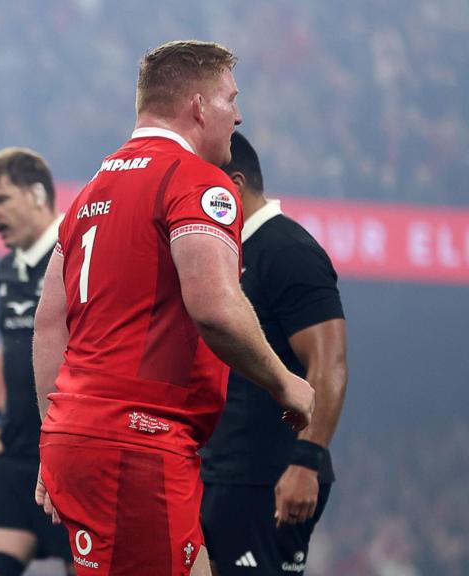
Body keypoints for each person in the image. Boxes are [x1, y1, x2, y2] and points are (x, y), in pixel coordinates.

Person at [31, 40, 316, 576]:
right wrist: (286, 383)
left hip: (81, 432)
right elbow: (214, 307)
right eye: (232, 98)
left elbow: (49, 324)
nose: (239, 113)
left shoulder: (92, 191)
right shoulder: (197, 181)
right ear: (200, 107)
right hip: (140, 440)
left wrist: (54, 434)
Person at [199, 132, 347, 576]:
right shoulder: (225, 255)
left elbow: (330, 363)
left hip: (268, 475)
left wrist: (306, 462)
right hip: (222, 472)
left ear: (235, 186)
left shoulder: (287, 251)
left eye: (199, 191)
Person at [0, 148, 74, 576]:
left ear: (37, 195)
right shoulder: (8, 268)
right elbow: (9, 345)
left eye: (1, 200)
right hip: (14, 455)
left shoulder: (82, 256)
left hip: (70, 453)